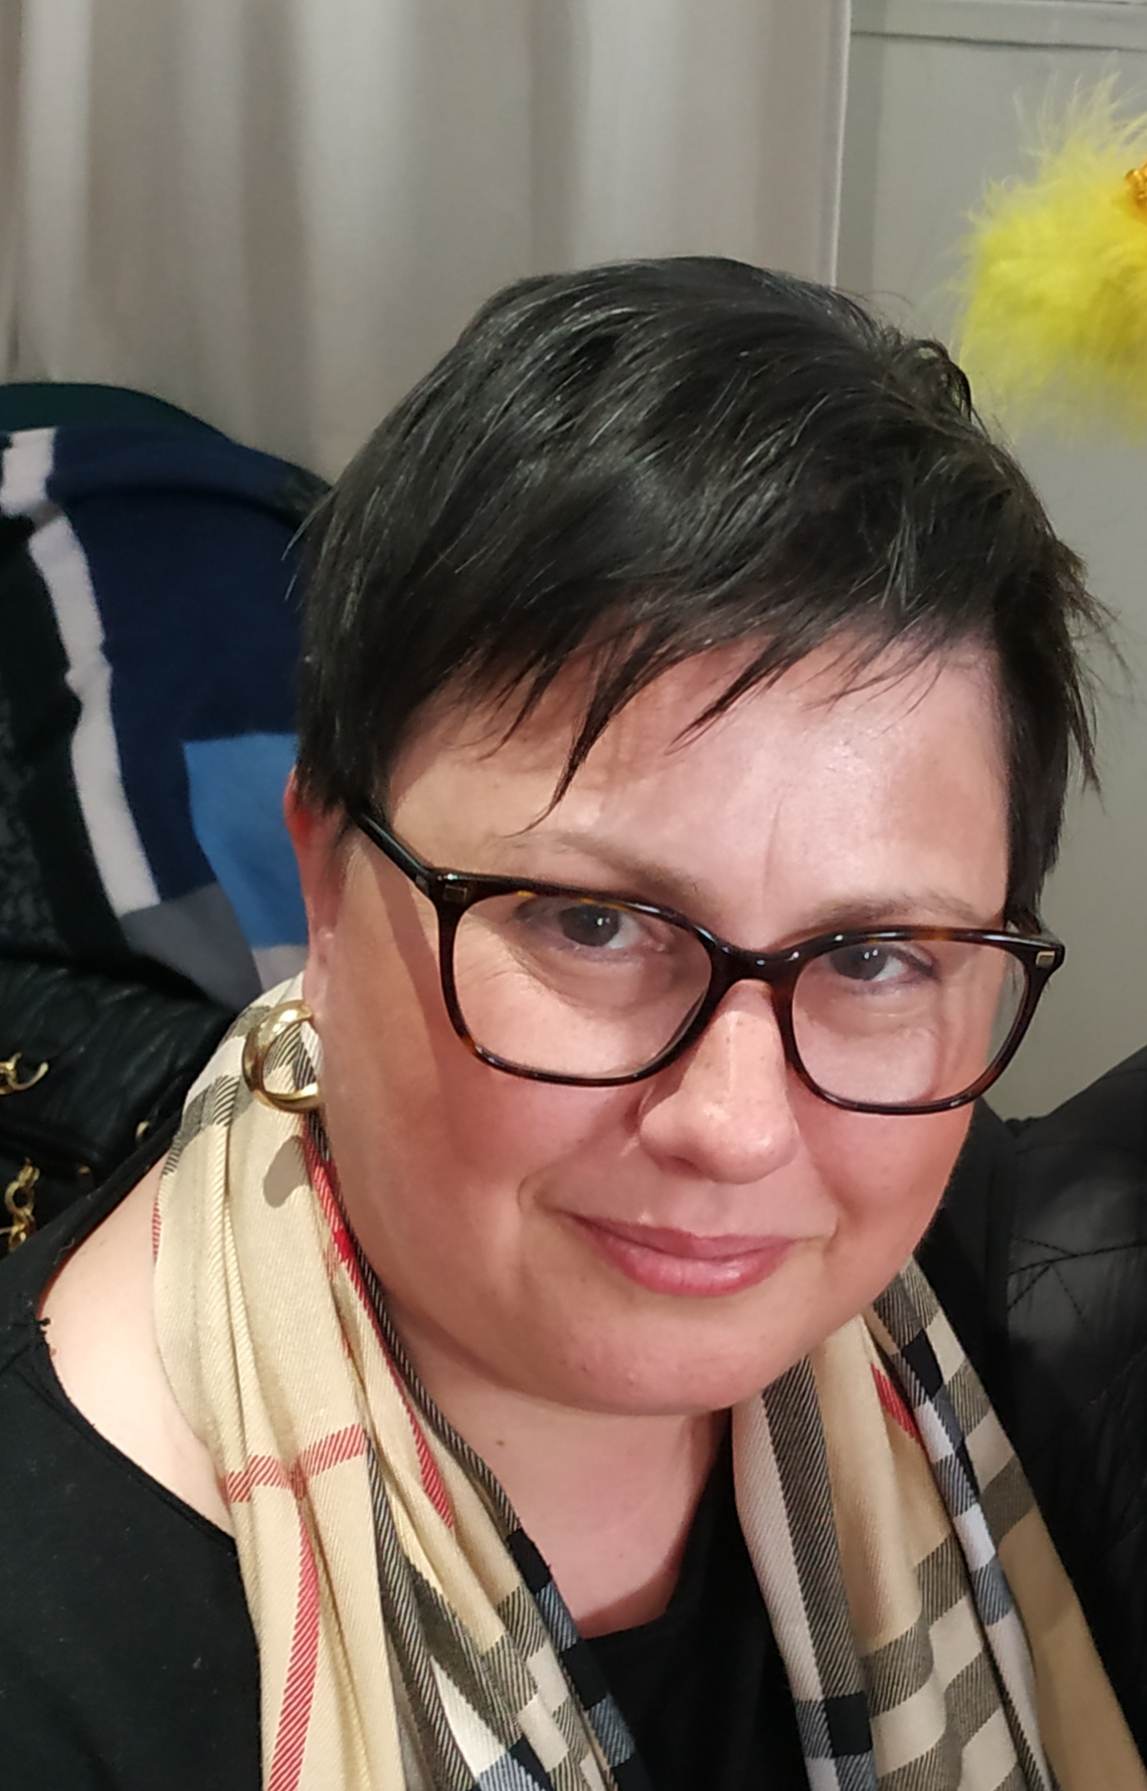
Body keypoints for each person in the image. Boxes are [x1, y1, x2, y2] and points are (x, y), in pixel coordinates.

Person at [0, 258, 1142, 1791]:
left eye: (873, 955)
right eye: (593, 925)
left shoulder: (992, 1313)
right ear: (324, 879)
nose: (737, 1126)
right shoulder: (53, 1660)